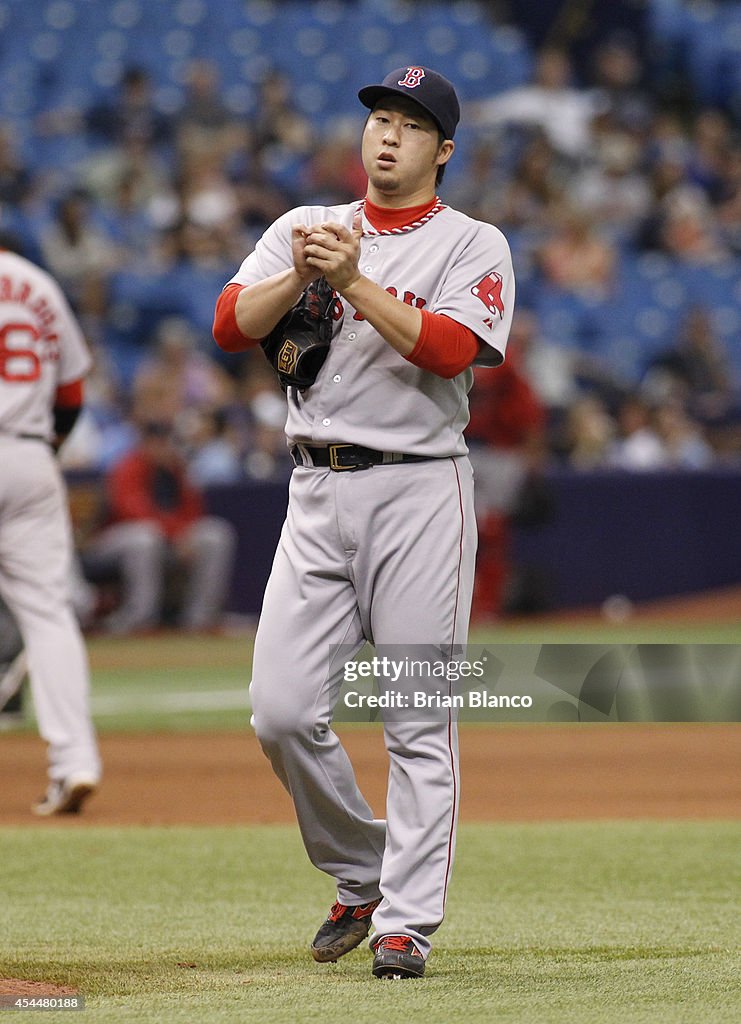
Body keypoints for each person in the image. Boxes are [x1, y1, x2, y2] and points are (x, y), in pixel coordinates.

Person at [213, 66, 514, 979]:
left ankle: (406, 925)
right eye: (379, 118)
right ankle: (362, 867)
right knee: (279, 711)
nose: (387, 135)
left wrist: (355, 285)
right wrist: (302, 272)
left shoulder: (474, 243)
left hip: (420, 490)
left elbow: (457, 351)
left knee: (417, 717)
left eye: (410, 125)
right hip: (315, 490)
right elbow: (231, 324)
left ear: (442, 151)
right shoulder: (305, 228)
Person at [0, 232, 101, 814]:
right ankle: (75, 763)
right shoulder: (37, 285)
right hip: (30, 454)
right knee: (48, 614)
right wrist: (43, 453)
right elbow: (70, 392)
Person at [81, 415, 237, 634]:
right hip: (111, 542)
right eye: (155, 441)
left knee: (216, 534)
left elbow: (193, 510)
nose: (161, 447)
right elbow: (133, 512)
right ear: (144, 442)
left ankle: (200, 619)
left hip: (165, 541)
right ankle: (139, 619)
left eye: (165, 441)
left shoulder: (176, 469)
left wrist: (184, 535)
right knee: (145, 537)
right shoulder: (128, 467)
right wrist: (176, 535)